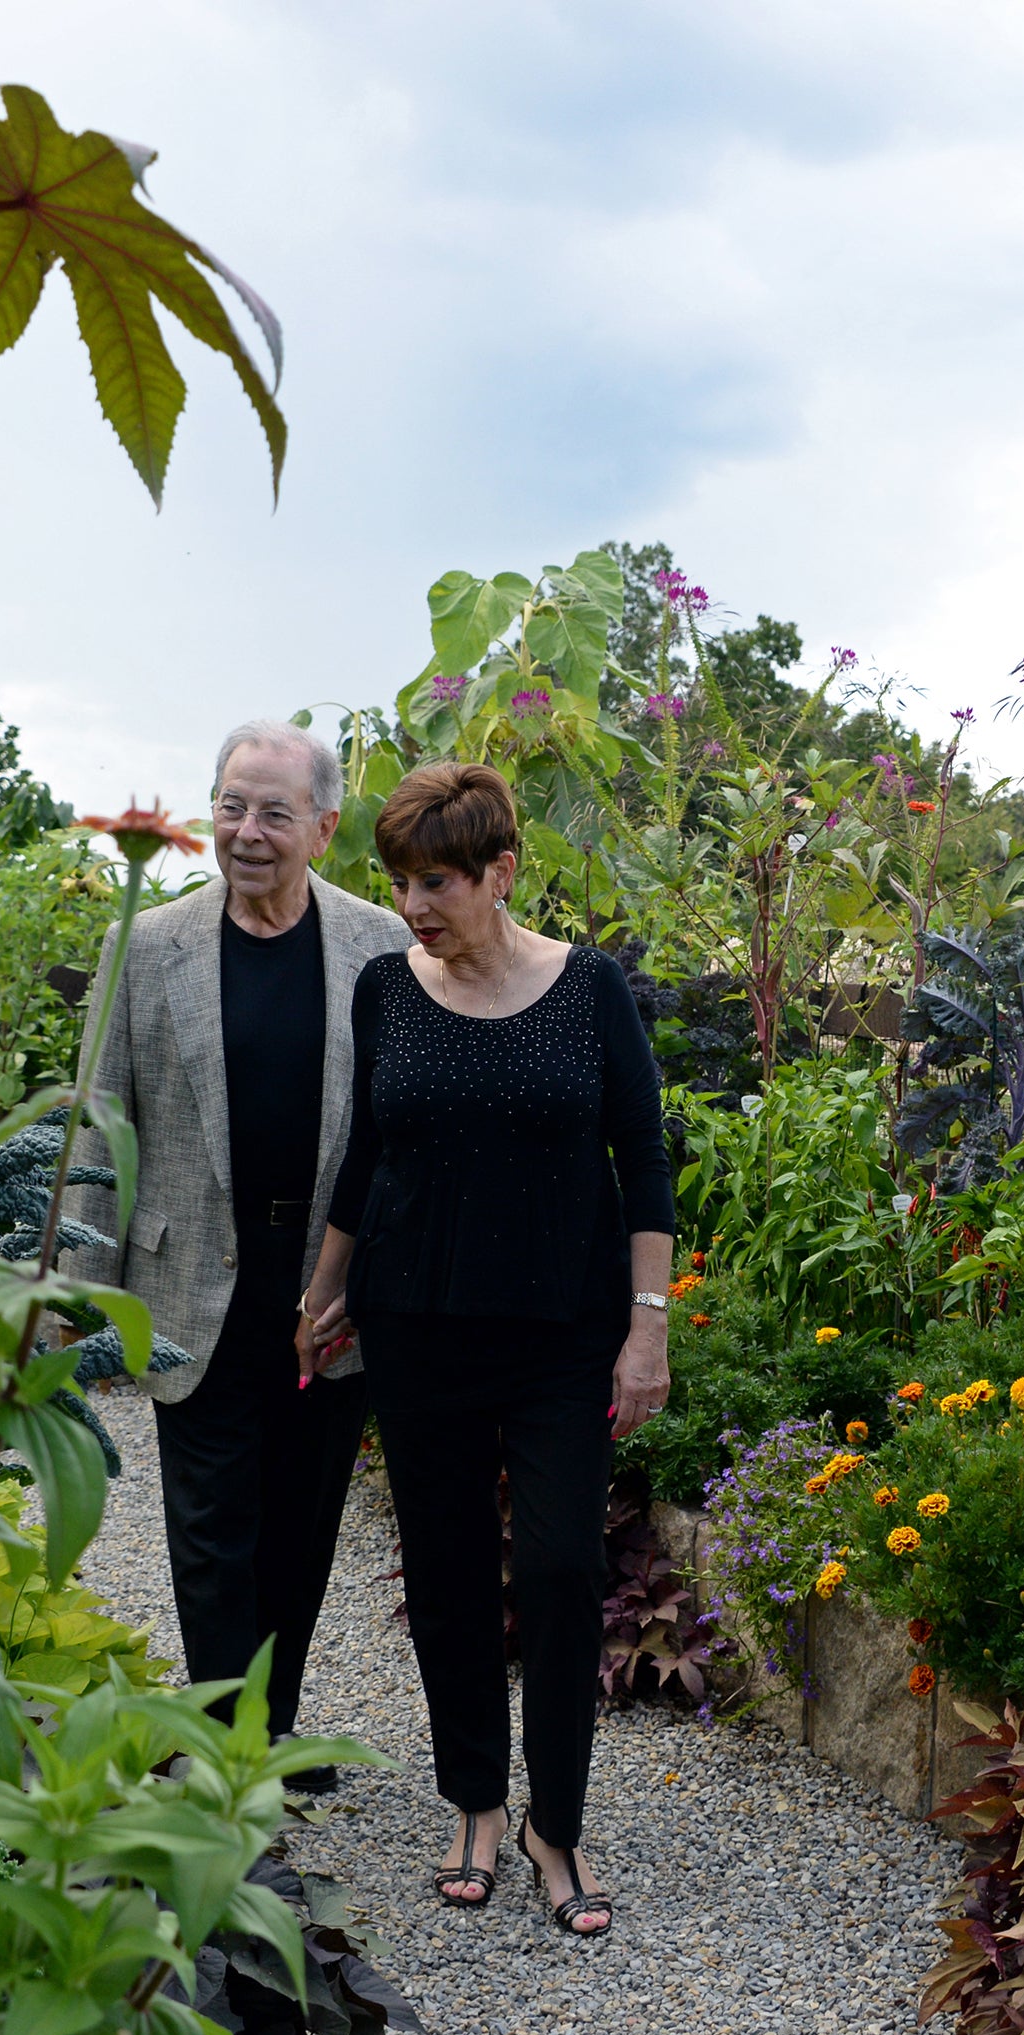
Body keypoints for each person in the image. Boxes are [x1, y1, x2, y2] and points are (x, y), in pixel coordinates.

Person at [295, 761, 673, 1939]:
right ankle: (475, 1802)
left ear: (501, 872)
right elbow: (366, 1154)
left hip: (565, 1332)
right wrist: (326, 1289)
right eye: (401, 882)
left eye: (439, 882)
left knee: (559, 1570)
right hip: (418, 1326)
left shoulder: (590, 987)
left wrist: (647, 1329)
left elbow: (645, 1160)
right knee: (446, 1570)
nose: (414, 907)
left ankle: (558, 1822)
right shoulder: (384, 989)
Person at [71, 720, 405, 1790]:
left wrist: (381, 1277)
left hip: (327, 1284)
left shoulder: (380, 945)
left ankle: (269, 1726)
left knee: (301, 1529)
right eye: (230, 806)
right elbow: (98, 1122)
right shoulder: (146, 943)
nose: (247, 832)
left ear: (324, 826)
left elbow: (398, 1126)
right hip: (189, 1279)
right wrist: (81, 1298)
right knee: (213, 1532)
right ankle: (227, 1753)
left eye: (272, 812)